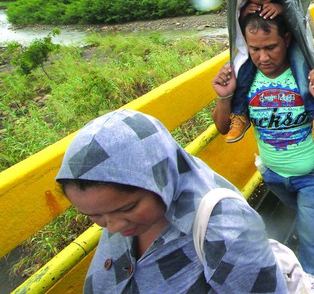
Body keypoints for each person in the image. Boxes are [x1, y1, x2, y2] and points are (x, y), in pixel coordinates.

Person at [56, 109, 287, 293]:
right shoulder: (122, 214)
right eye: (94, 216)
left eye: (128, 208)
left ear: (161, 178)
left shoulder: (227, 230)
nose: (113, 227)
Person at [212, 13, 314, 282]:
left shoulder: (311, 72)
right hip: (273, 175)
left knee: (311, 245)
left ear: (287, 40)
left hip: (312, 177)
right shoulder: (244, 79)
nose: (262, 57)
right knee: (307, 221)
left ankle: (312, 283)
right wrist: (224, 97)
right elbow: (222, 127)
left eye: (270, 47)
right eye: (254, 49)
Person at [224, 0, 314, 145]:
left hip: (292, 44)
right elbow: (239, 34)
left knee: (302, 72)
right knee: (244, 72)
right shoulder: (244, 7)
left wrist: (282, 8)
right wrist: (243, 15)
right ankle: (239, 114)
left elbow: (298, 16)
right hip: (266, 50)